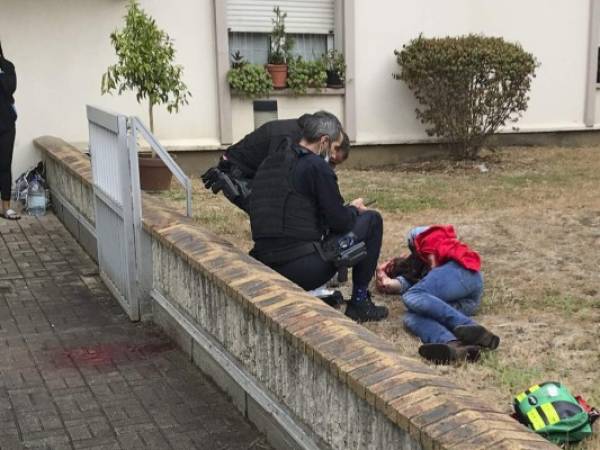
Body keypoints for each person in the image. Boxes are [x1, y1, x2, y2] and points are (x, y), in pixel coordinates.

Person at [248, 112, 388, 322]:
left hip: (262, 263)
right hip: (302, 269)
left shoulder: (270, 162)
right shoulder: (315, 166)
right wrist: (353, 209)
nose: (332, 158)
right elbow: (340, 221)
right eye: (333, 148)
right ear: (324, 141)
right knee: (372, 220)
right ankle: (360, 303)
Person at [376, 225, 499, 363]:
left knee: (412, 296)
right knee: (411, 316)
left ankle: (469, 326)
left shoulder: (429, 241)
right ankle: (453, 345)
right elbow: (405, 282)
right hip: (466, 301)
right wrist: (388, 282)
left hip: (462, 272)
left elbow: (430, 248)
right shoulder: (417, 269)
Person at [201, 113, 350, 213]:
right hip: (237, 173)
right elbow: (276, 180)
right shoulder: (288, 139)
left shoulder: (299, 133)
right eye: (332, 154)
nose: (330, 156)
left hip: (245, 170)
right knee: (271, 213)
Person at [0, 41, 19, 220]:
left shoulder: (7, 67)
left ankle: (6, 207)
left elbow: (10, 88)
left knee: (5, 165)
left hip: (6, 125)